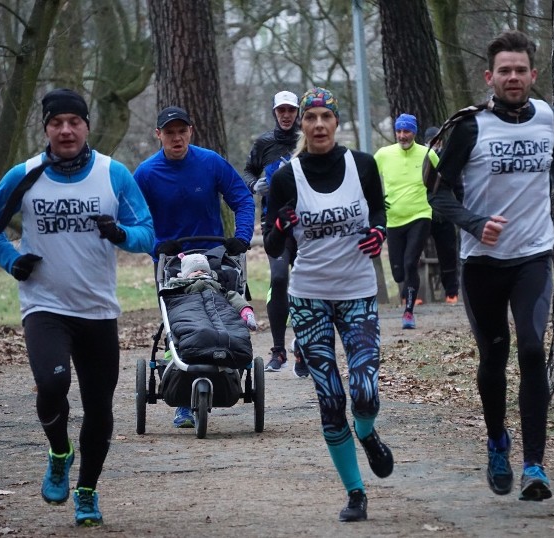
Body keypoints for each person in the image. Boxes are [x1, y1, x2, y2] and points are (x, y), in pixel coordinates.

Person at [0, 88, 155, 527]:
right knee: (52, 386)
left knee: (99, 409)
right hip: (45, 306)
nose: (66, 130)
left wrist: (120, 236)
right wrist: (12, 260)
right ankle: (59, 452)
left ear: (87, 126)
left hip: (97, 309)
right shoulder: (26, 174)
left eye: (74, 121)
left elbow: (148, 233)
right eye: (57, 123)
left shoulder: (114, 174)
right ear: (46, 128)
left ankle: (87, 492)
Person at [428, 30, 554, 502]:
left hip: (533, 256)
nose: (513, 77)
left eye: (521, 70)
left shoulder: (548, 117)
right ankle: (497, 439)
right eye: (505, 70)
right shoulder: (470, 127)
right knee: (494, 356)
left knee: (534, 349)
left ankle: (535, 465)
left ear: (533, 75)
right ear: (490, 76)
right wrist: (476, 224)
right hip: (481, 263)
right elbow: (437, 193)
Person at [264, 87, 393, 522]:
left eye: (326, 117)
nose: (318, 124)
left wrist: (380, 232)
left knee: (365, 391)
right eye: (310, 117)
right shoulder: (286, 177)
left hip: (358, 292)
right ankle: (356, 492)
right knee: (331, 397)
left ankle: (368, 433)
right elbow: (271, 242)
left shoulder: (363, 165)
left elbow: (378, 210)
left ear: (336, 123)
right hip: (309, 299)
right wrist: (281, 224)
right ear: (301, 124)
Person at [134, 105, 255, 429]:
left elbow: (243, 199)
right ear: (158, 134)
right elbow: (133, 217)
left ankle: (224, 369)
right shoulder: (146, 173)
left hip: (214, 255)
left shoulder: (210, 162)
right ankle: (183, 400)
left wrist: (241, 238)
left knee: (218, 309)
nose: (176, 138)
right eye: (169, 132)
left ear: (191, 131)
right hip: (171, 260)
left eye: (181, 131)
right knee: (181, 321)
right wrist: (156, 246)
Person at [242, 90, 308, 376]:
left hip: (306, 222)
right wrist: (255, 184)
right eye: (281, 110)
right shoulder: (264, 143)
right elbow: (246, 173)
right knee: (279, 278)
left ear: (297, 113)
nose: (285, 115)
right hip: (274, 224)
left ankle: (304, 349)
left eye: (290, 110)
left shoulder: (306, 140)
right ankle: (278, 350)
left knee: (306, 285)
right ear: (274, 112)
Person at [374, 113, 439, 329]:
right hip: (393, 220)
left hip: (420, 215)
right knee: (398, 272)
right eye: (399, 131)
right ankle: (407, 289)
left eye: (407, 131)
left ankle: (409, 312)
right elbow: (368, 179)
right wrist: (376, 203)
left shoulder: (427, 154)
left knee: (411, 262)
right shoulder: (383, 154)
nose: (402, 136)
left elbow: (442, 181)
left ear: (414, 132)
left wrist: (436, 203)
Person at [423, 125, 461, 305]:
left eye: (437, 141)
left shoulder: (448, 159)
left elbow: (458, 184)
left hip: (443, 215)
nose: (435, 144)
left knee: (448, 254)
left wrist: (460, 209)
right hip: (421, 213)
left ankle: (451, 292)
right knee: (412, 253)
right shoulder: (420, 158)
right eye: (431, 141)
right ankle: (414, 294)